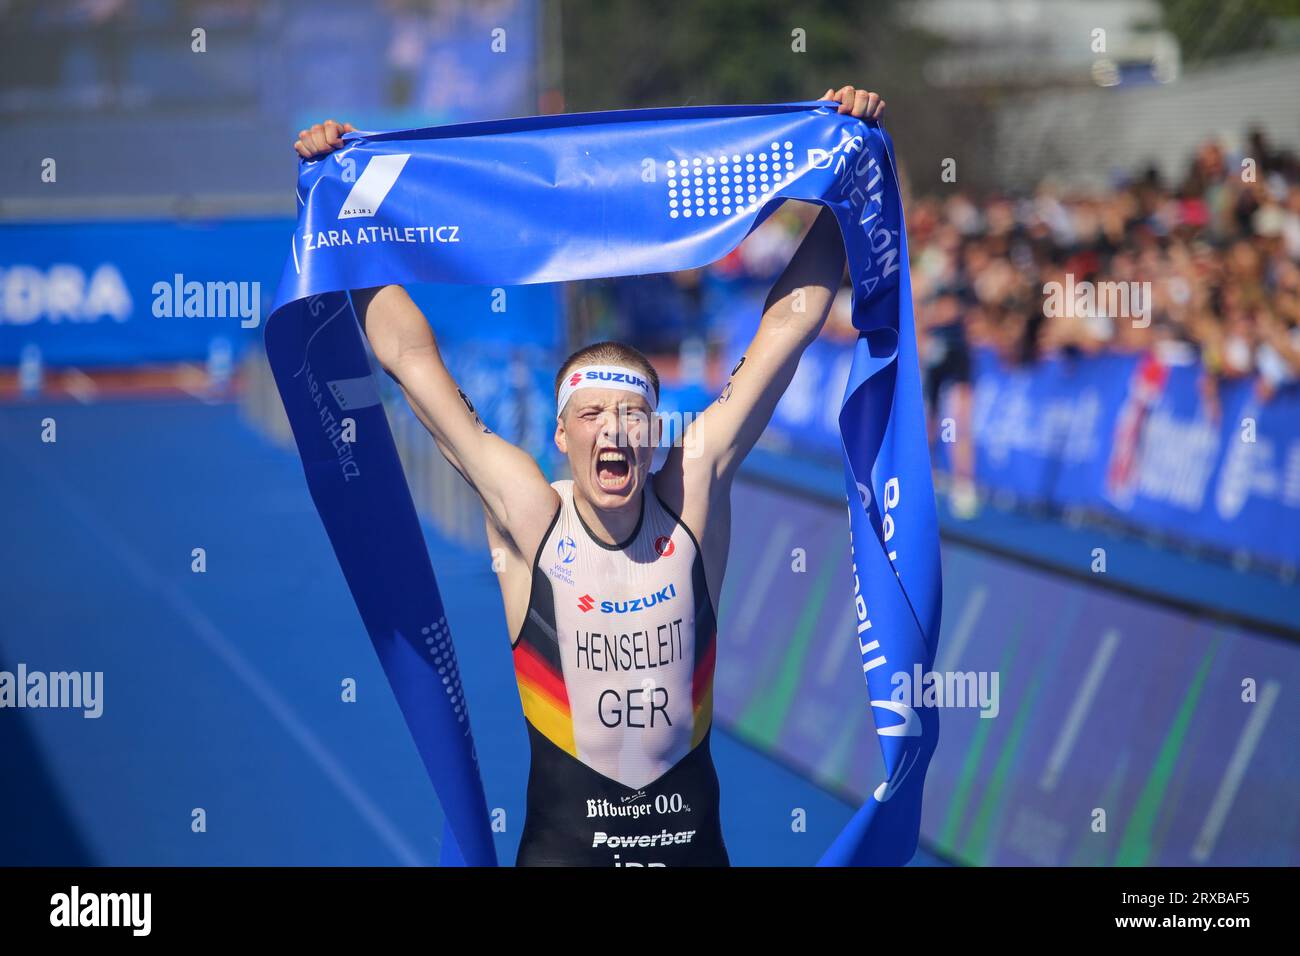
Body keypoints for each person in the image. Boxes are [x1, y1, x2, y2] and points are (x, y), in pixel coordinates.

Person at [292, 85, 887, 866]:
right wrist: (340, 210)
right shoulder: (529, 512)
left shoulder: (691, 499)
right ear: (563, 435)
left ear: (653, 431)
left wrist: (846, 172)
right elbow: (411, 362)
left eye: (632, 416)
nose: (615, 432)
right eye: (595, 417)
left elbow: (790, 323)